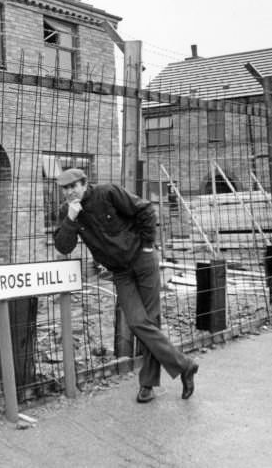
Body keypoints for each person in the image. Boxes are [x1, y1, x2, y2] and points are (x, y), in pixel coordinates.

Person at [53, 168, 199, 403]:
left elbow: (145, 209)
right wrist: (71, 219)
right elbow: (63, 246)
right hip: (120, 272)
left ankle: (147, 384)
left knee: (150, 320)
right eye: (65, 188)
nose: (70, 192)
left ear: (84, 183)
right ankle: (185, 365)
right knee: (137, 322)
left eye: (74, 186)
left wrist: (148, 246)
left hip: (142, 260)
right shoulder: (68, 212)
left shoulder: (108, 193)